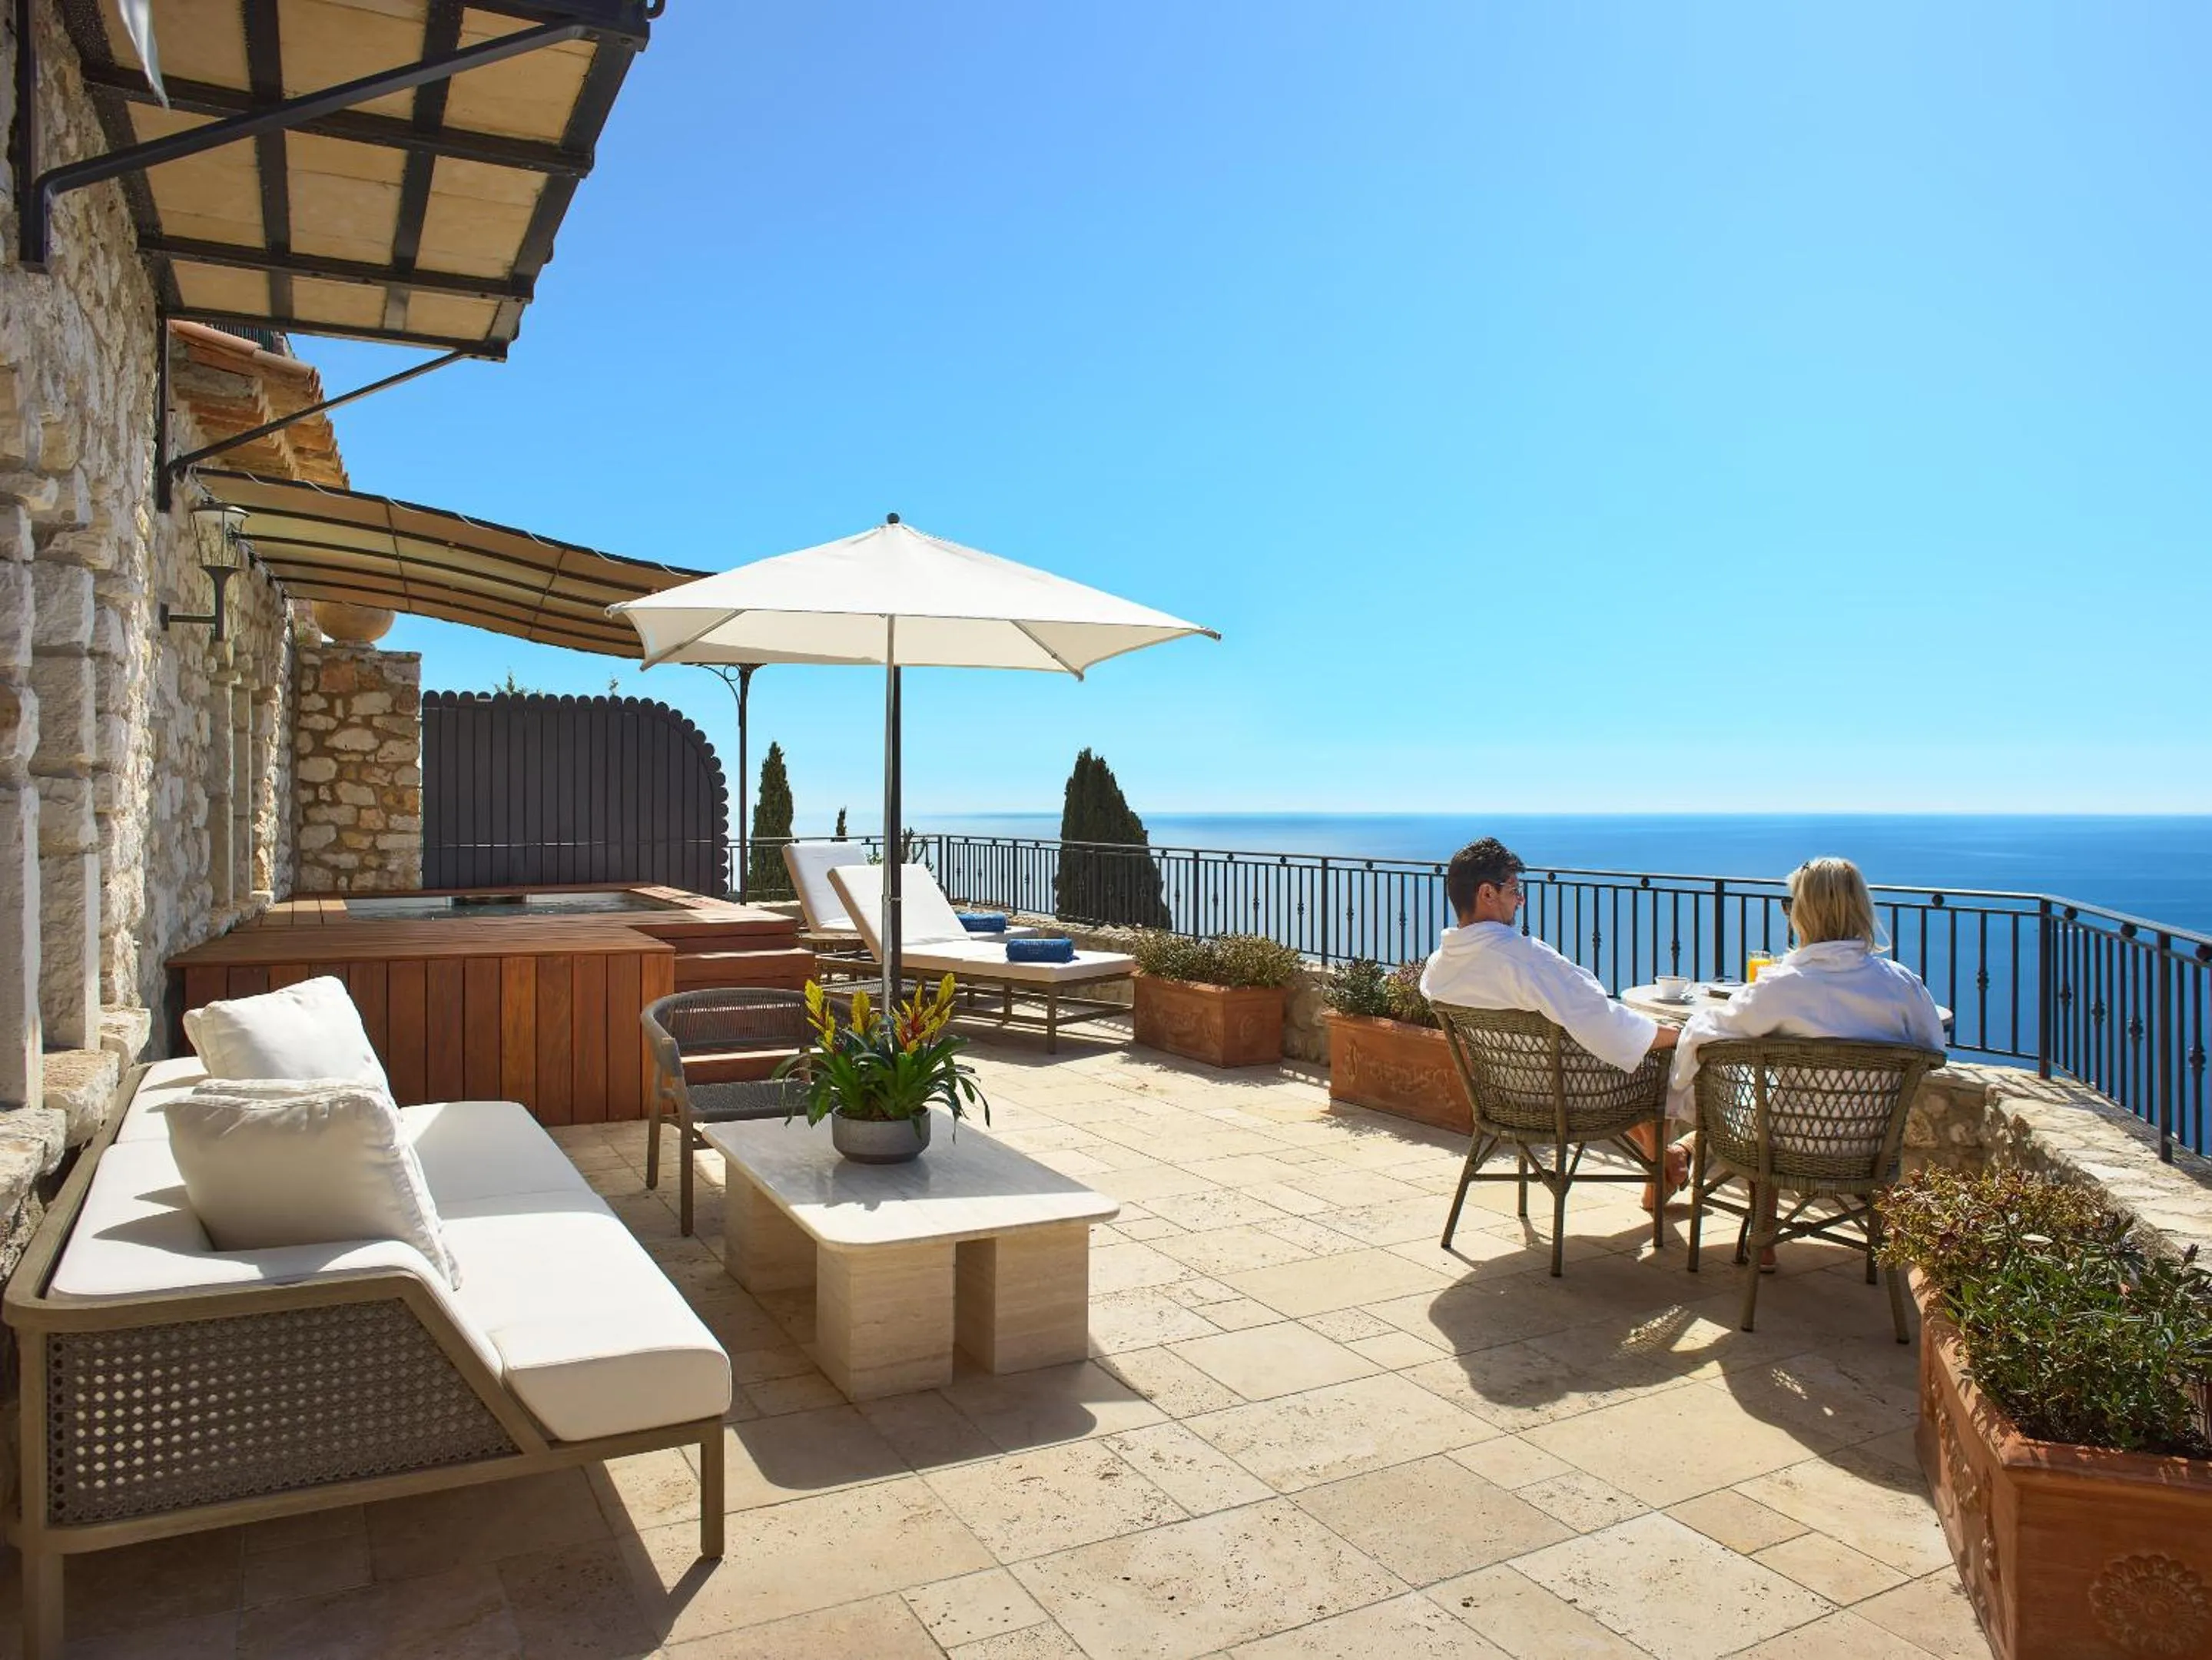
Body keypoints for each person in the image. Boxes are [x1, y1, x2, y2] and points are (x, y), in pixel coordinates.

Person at [1666, 856, 1946, 1266]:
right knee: (1768, 1105)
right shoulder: (1901, 985)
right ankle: (1880, 1253)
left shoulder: (1782, 987)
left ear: (1802, 913)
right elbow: (1933, 1048)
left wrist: (1681, 1077)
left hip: (1780, 1146)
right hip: (1867, 1143)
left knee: (1758, 1106)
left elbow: (1710, 1030)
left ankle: (1763, 1237)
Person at [1421, 837, 1684, 1208]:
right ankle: (1664, 1172)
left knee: (1625, 1055)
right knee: (1658, 1059)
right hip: (1568, 1096)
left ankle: (1668, 1162)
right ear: (1487, 893)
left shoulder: (1438, 968)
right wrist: (1675, 1035)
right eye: (1514, 889)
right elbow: (1603, 1021)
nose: (1521, 900)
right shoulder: (1524, 960)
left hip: (1504, 1095)